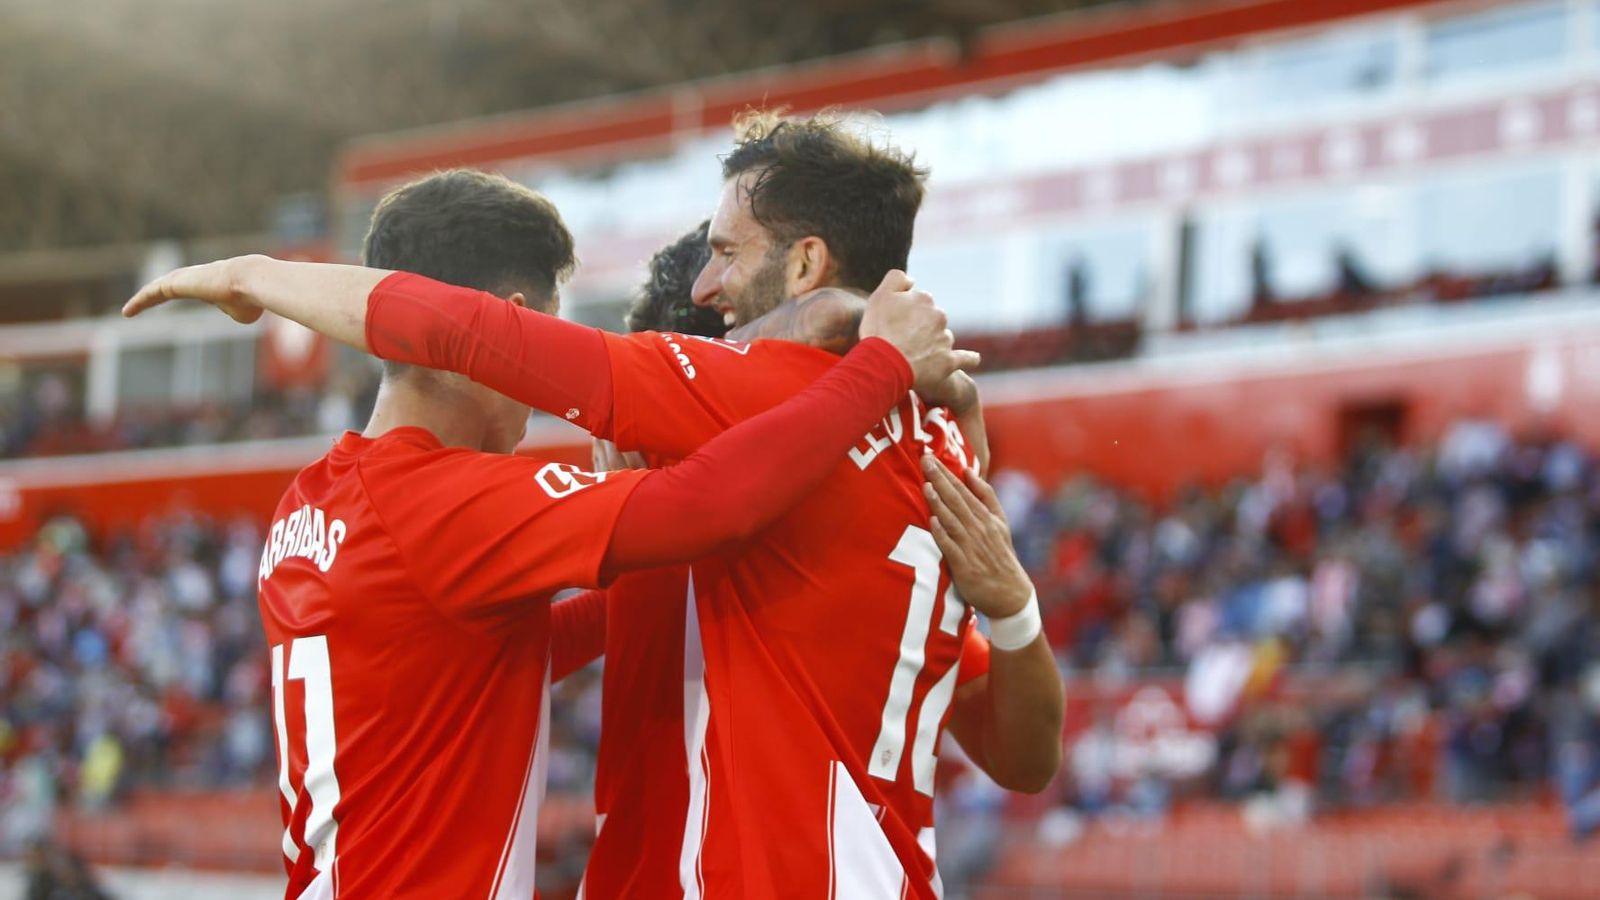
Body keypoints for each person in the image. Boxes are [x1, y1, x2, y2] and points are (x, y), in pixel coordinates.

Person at [130, 114, 1061, 898]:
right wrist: (1011, 602)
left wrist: (258, 275)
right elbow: (1022, 759)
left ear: (806, 261)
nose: (707, 284)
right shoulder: (922, 464)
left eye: (726, 253)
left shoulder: (321, 503)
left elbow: (672, 503)